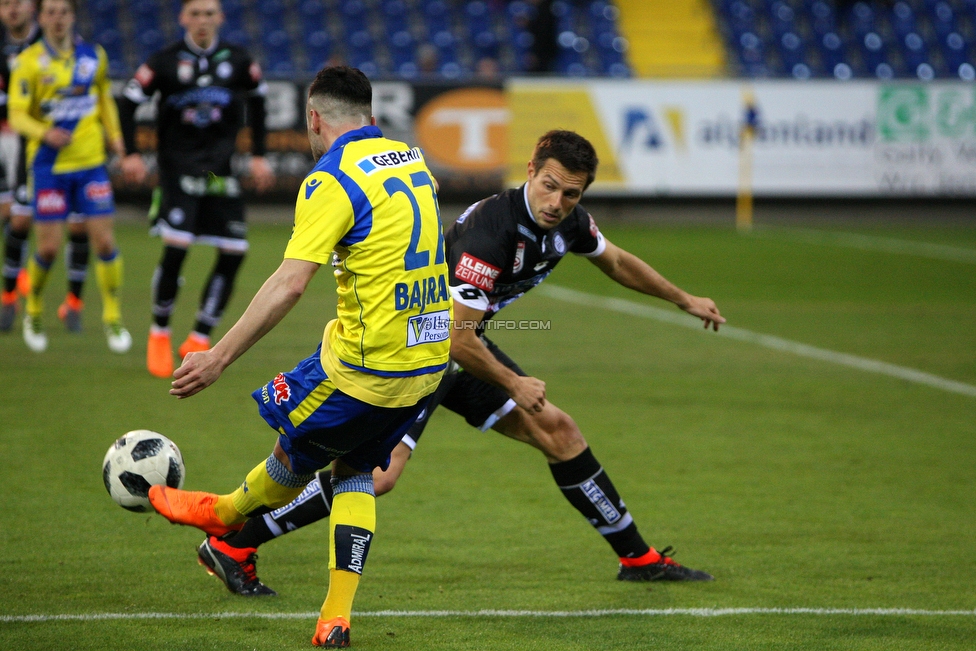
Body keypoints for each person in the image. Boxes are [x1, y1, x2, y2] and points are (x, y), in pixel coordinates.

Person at [191, 129, 726, 599]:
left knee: (559, 432)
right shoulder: (491, 233)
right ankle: (234, 544)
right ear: (530, 172)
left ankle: (638, 559)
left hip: (457, 355)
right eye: (550, 185)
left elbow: (615, 260)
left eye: (571, 193)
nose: (558, 201)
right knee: (378, 478)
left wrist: (684, 299)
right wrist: (514, 381)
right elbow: (453, 336)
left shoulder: (569, 223)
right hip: (418, 355)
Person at [146, 65, 452, 648]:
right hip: (427, 364)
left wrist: (218, 357)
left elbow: (289, 284)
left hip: (367, 367)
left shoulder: (330, 179)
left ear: (314, 119)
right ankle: (335, 617)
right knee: (356, 470)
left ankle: (225, 516)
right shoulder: (411, 159)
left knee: (293, 453)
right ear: (372, 113)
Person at [117, 0, 274, 379]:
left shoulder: (238, 60)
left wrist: (258, 155)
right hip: (176, 170)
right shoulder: (165, 60)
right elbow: (127, 100)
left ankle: (200, 335)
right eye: (195, 14)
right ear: (183, 18)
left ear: (220, 18)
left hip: (220, 173)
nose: (202, 21)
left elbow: (259, 101)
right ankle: (159, 332)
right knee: (177, 246)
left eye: (209, 14)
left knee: (235, 251)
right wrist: (132, 153)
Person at [8, 0, 130, 353]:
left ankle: (112, 316)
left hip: (91, 163)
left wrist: (117, 139)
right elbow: (17, 115)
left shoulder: (94, 56)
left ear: (72, 16)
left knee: (104, 243)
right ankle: (33, 308)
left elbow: (104, 98)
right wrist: (46, 133)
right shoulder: (28, 62)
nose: (58, 19)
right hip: (49, 166)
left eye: (64, 12)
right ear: (40, 16)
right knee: (47, 246)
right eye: (51, 12)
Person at [0, 0, 91, 334]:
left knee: (80, 228)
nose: (11, 10)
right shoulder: (11, 52)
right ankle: (9, 296)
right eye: (5, 3)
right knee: (19, 220)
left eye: (18, 3)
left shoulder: (57, 45)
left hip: (69, 152)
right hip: (28, 151)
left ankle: (74, 303)